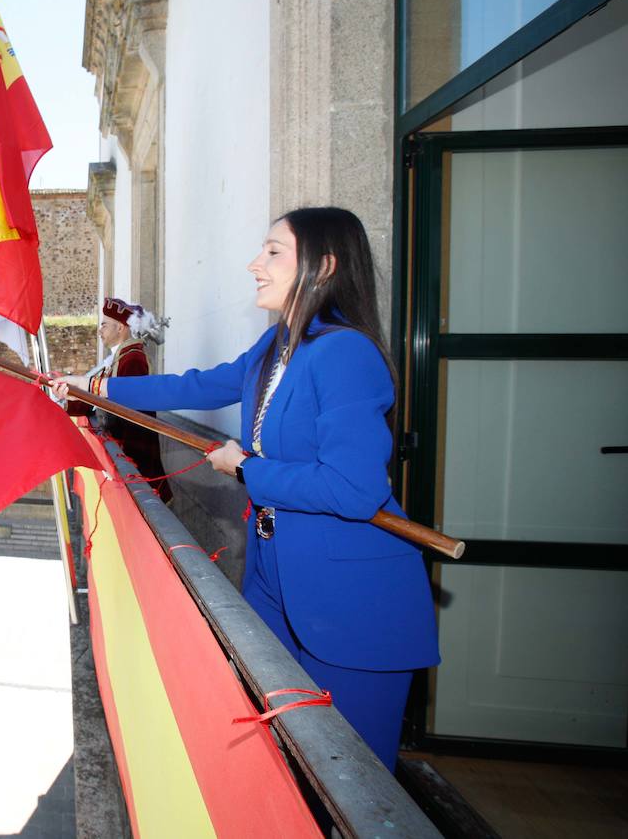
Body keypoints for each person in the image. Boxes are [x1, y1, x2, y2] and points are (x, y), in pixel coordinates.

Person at [55, 207, 438, 771]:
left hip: (351, 604)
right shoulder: (276, 345)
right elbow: (201, 386)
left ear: (324, 266)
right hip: (273, 576)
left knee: (354, 778)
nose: (255, 264)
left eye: (274, 252)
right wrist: (94, 386)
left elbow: (354, 489)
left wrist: (246, 469)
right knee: (285, 765)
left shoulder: (346, 353)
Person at [68, 297, 172, 503]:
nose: (100, 331)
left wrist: (123, 455)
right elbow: (97, 396)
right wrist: (68, 399)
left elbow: (126, 409)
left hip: (134, 451)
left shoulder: (133, 359)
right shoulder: (121, 357)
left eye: (104, 325)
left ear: (120, 328)